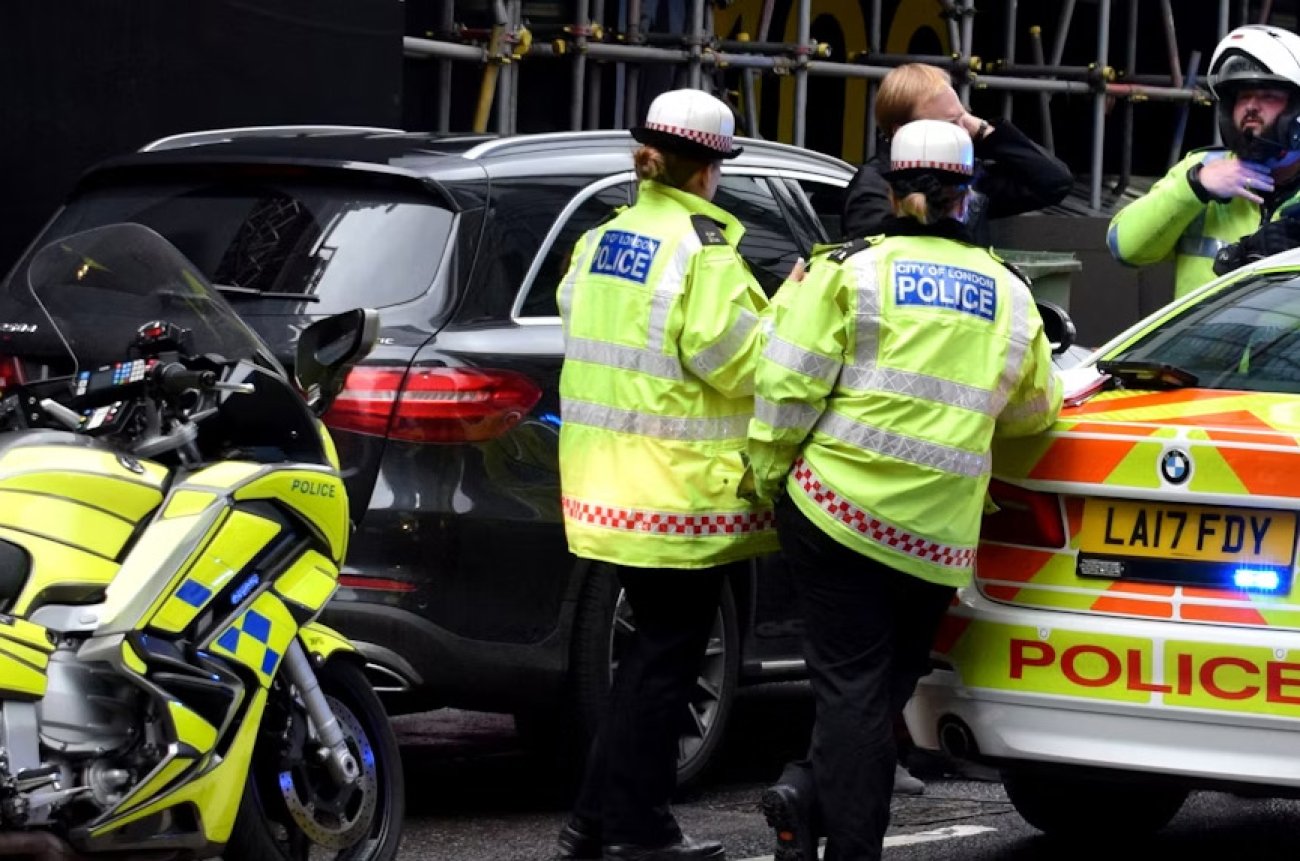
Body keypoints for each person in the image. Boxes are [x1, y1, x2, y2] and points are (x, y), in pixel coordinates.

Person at [747, 119, 1062, 861]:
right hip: (935, 535)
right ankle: (809, 793)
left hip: (834, 512)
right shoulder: (1009, 291)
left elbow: (785, 387)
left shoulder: (844, 269)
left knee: (850, 687)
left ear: (889, 188)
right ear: (966, 195)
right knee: (881, 686)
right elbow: (1033, 411)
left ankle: (840, 834)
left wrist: (768, 478)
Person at [552, 87, 786, 861]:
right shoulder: (702, 253)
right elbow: (742, 363)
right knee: (664, 666)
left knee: (649, 660)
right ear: (707, 170)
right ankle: (639, 827)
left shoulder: (600, 240)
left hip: (605, 487)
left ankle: (595, 821)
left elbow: (581, 323)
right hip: (678, 495)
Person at [1109, 24, 1300, 295]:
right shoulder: (1200, 168)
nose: (1251, 106)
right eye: (1243, 96)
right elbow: (1124, 247)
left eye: (1268, 96)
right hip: (1204, 339)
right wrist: (1194, 187)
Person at [842, 63, 1072, 245]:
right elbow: (867, 267)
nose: (963, 132)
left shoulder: (963, 175)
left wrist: (983, 131)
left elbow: (1054, 182)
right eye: (951, 123)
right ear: (903, 131)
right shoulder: (873, 186)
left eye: (965, 118)